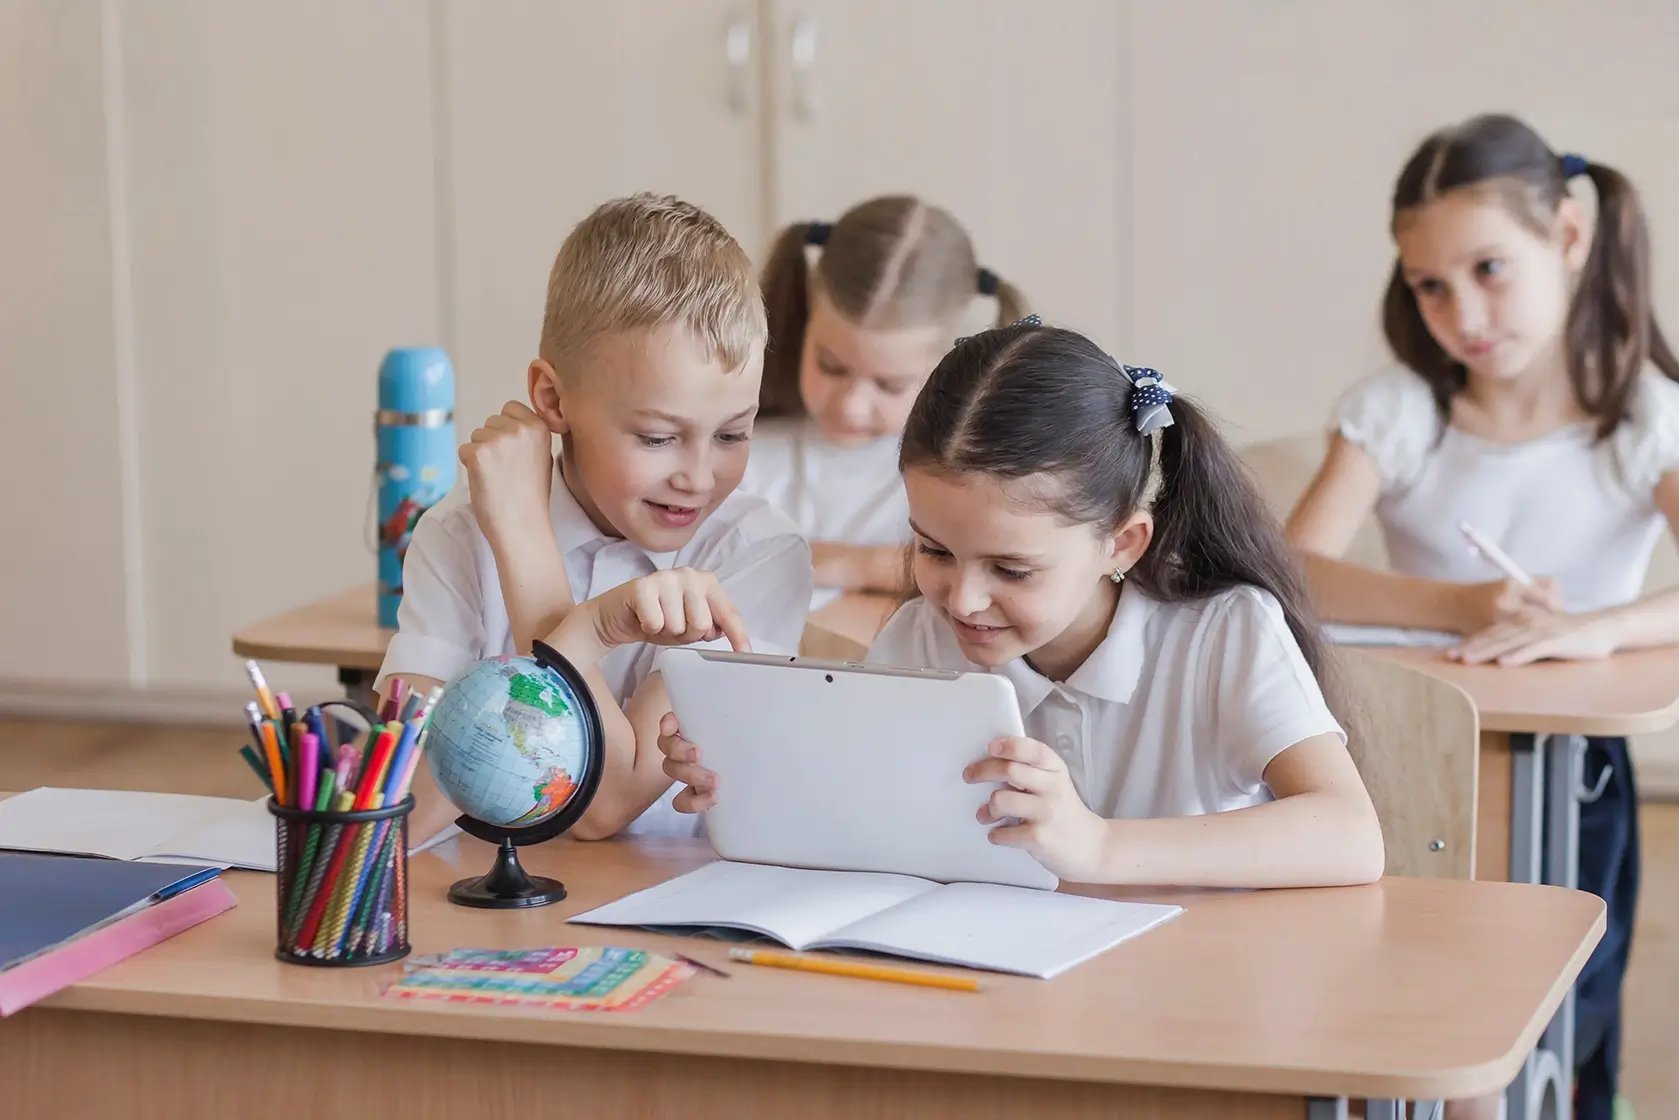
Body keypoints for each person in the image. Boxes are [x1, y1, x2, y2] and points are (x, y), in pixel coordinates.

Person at [662, 319, 1383, 890]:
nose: (961, 599)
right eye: (933, 551)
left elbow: (1350, 835)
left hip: (1195, 999)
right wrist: (746, 786)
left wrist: (1095, 844)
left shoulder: (1223, 632)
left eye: (1011, 568)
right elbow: (864, 826)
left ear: (1123, 544)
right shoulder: (920, 637)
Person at [1285, 114, 1679, 1120]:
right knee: (1412, 1004)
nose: (1461, 311)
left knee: (1554, 1011)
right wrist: (1454, 604)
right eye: (1429, 285)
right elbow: (1291, 568)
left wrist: (1593, 627)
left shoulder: (1638, 416)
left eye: (1488, 269)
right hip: (1407, 755)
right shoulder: (1398, 409)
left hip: (1568, 767)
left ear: (1568, 239)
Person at [375, 193, 812, 843]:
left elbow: (606, 806)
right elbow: (391, 807)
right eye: (658, 438)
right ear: (552, 399)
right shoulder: (461, 532)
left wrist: (529, 552)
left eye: (730, 435)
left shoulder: (754, 553)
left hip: (667, 903)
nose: (697, 476)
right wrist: (516, 536)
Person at [743, 196, 1028, 605]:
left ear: (947, 365)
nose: (851, 406)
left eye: (890, 385)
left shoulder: (968, 485)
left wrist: (855, 564)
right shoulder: (746, 460)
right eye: (831, 366)